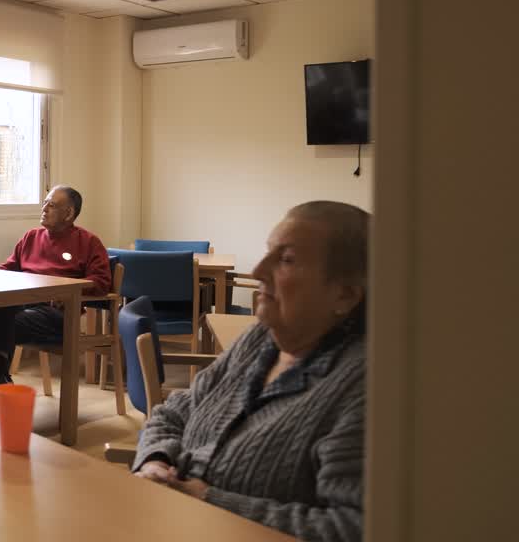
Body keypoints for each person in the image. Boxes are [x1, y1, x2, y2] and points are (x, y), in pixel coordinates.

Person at [132, 201, 368, 542]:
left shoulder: (362, 387)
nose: (257, 270)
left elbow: (351, 528)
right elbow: (175, 411)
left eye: (286, 260)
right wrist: (153, 460)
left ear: (344, 295)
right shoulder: (261, 338)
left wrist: (209, 501)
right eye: (268, 252)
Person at [0, 185, 111, 414]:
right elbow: (5, 270)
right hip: (24, 306)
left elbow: (101, 282)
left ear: (69, 214)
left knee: (10, 322)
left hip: (59, 314)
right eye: (45, 203)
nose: (44, 208)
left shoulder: (88, 242)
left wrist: (68, 292)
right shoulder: (31, 237)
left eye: (51, 205)